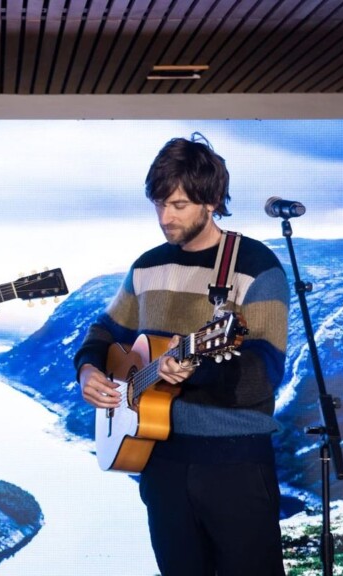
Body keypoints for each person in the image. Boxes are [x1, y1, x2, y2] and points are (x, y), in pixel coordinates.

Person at [74, 134, 289, 576]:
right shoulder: (148, 265)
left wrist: (196, 370)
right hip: (160, 464)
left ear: (211, 201)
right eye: (159, 204)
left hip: (235, 466)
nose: (165, 218)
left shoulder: (255, 264)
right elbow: (103, 331)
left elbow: (264, 374)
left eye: (178, 205)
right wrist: (88, 369)